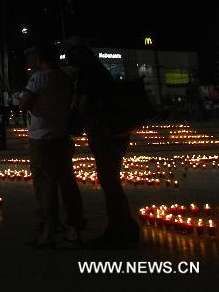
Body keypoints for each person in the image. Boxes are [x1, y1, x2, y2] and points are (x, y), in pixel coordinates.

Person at [69, 43, 139, 248]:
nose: (69, 56)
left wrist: (73, 125)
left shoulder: (89, 75)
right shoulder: (100, 72)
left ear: (83, 53)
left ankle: (118, 231)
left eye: (72, 51)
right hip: (115, 132)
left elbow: (83, 105)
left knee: (109, 181)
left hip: (105, 133)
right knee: (112, 180)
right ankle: (127, 226)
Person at [20, 43, 85, 248]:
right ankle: (73, 227)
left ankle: (49, 231)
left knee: (46, 185)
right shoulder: (65, 77)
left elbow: (24, 103)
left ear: (40, 59)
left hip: (42, 138)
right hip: (62, 135)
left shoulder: (38, 78)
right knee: (67, 182)